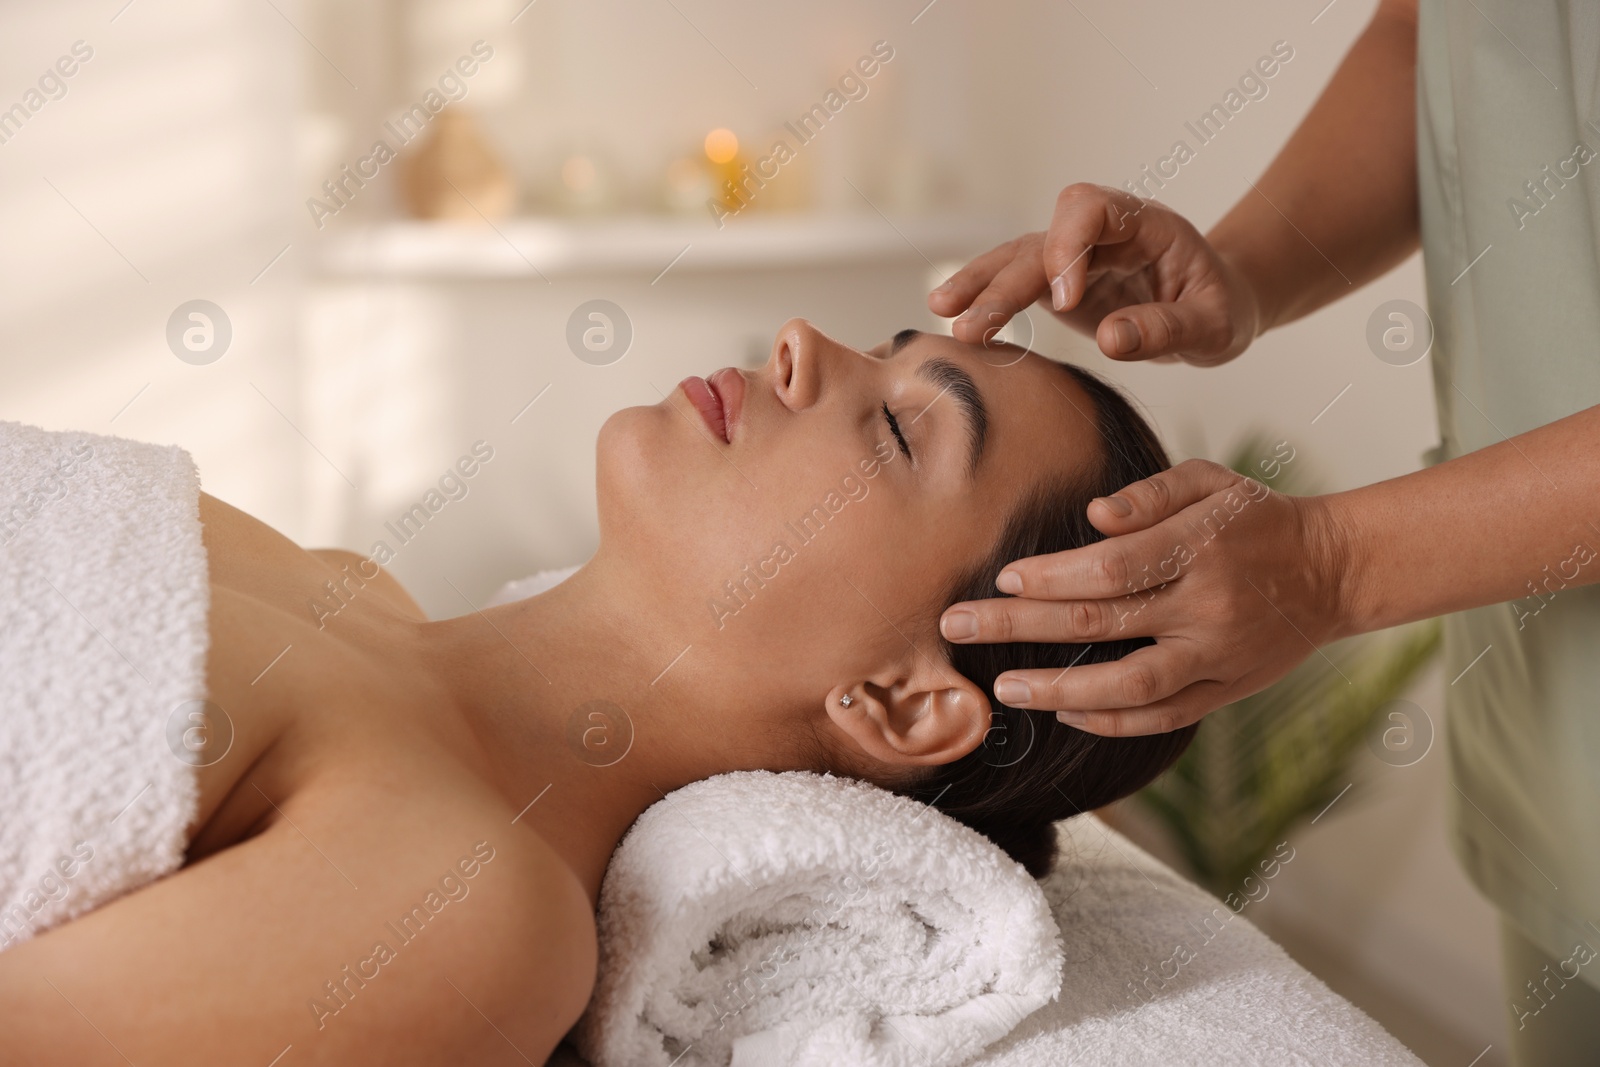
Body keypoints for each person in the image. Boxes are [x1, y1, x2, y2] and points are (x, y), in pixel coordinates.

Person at [0, 319, 1193, 1064]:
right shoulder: (338, 582)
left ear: (896, 701)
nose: (799, 343)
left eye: (895, 424)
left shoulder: (471, 912)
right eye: (881, 346)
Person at [928, 0, 1600, 1062]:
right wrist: (1243, 268)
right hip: (1555, 735)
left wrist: (1334, 563)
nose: (790, 344)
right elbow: (1440, 28)